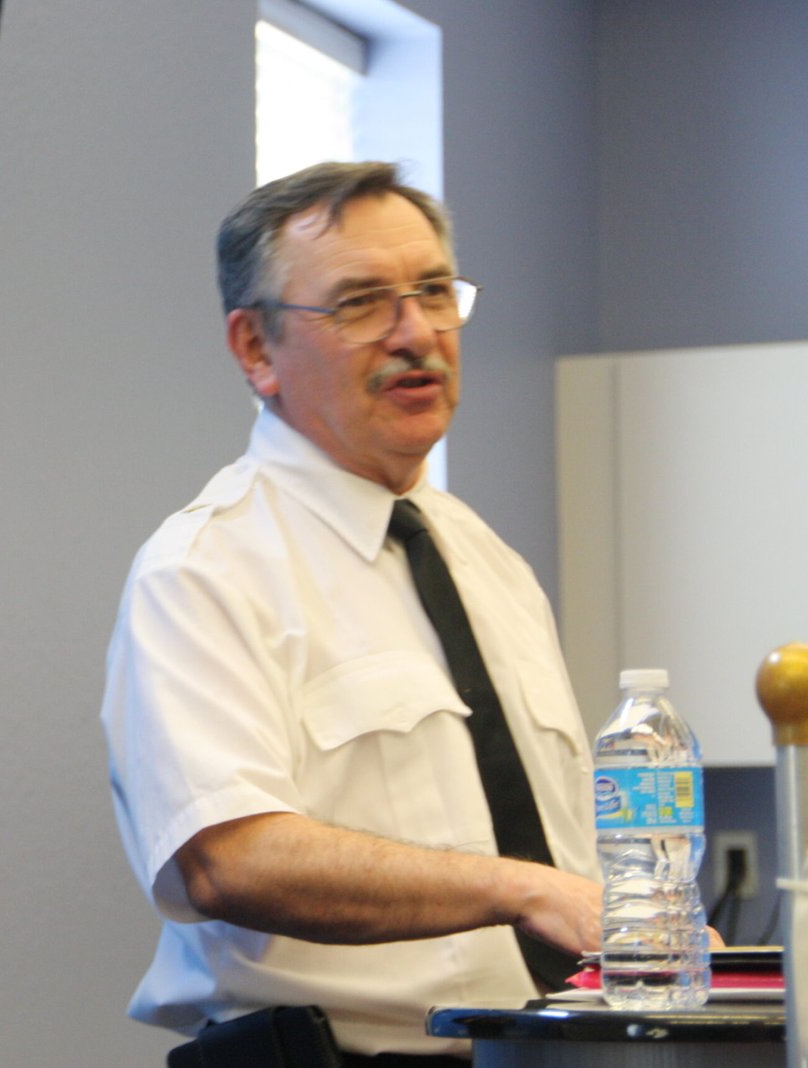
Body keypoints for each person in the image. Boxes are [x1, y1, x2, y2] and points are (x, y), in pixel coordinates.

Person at [100, 161, 601, 1063]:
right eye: (361, 304)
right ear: (256, 349)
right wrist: (520, 890)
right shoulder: (203, 569)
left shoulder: (492, 564)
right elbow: (228, 859)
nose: (417, 335)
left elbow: (569, 854)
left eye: (435, 293)